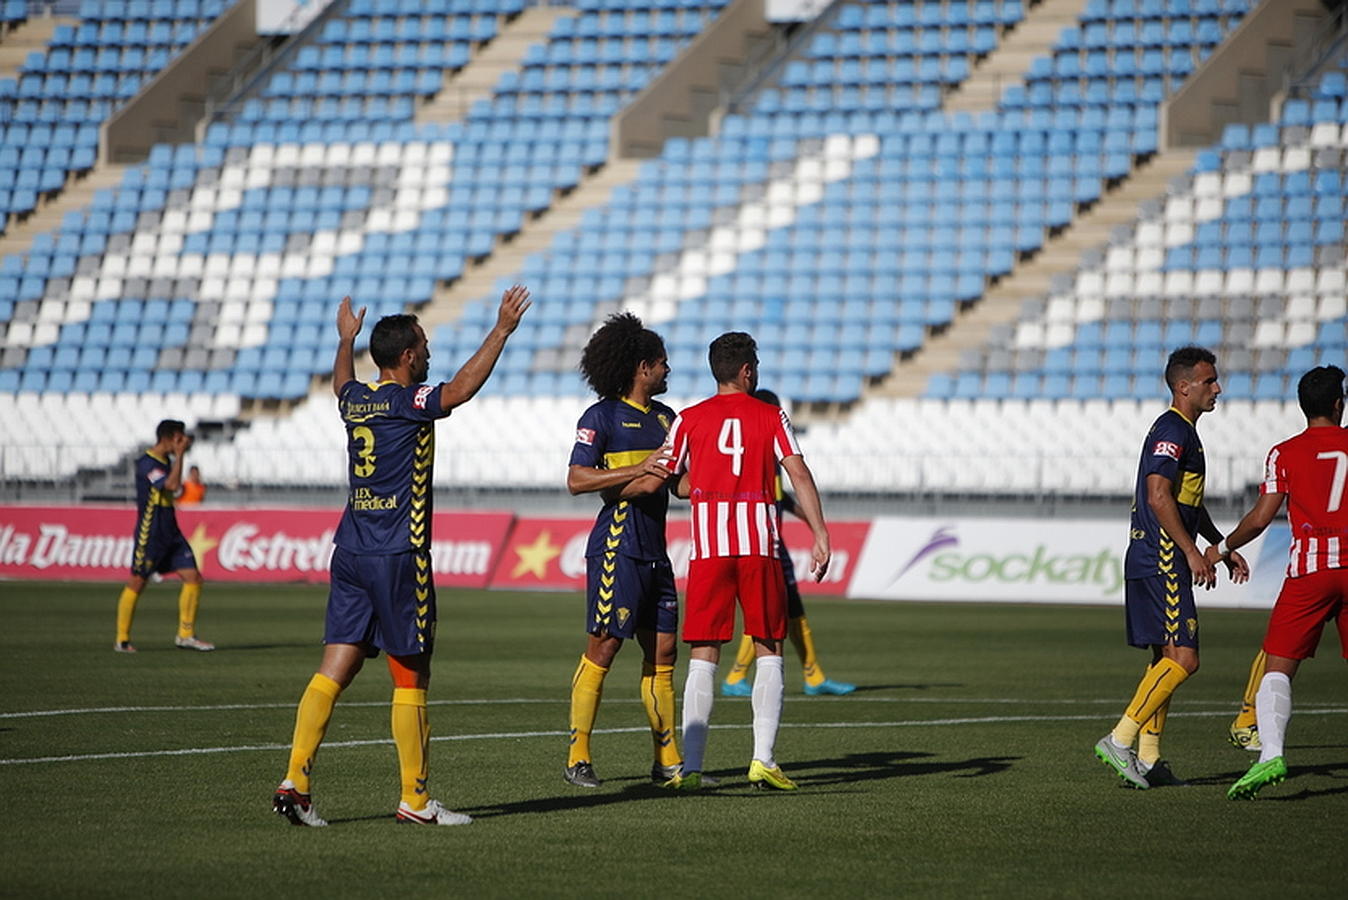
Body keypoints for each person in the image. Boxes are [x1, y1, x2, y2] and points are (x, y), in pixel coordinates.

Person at [272, 286, 531, 827]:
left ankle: (296, 781)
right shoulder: (406, 404)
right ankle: (415, 800)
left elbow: (342, 381)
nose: (430, 350)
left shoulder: (357, 400)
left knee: (331, 670)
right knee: (411, 676)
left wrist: (344, 339)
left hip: (350, 550)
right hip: (398, 552)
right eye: (425, 344)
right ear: (409, 357)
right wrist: (502, 330)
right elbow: (457, 391)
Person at [659, 332, 831, 791]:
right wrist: (820, 533)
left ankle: (692, 769)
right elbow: (797, 472)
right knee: (769, 649)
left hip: (709, 549)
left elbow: (666, 477)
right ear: (747, 371)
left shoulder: (688, 419)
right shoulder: (770, 415)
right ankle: (763, 761)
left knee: (703, 654)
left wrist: (703, 486)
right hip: (759, 546)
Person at [1094, 345, 1246, 789]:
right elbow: (1159, 495)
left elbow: (1186, 503)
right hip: (1163, 557)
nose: (1217, 388)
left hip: (1156, 554)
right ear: (1184, 387)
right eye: (1209, 381)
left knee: (1165, 657)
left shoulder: (1184, 432)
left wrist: (1219, 543)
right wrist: (1193, 552)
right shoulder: (1173, 430)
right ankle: (1120, 739)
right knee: (1186, 657)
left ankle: (1150, 757)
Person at [1207, 365, 1348, 799]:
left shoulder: (1284, 452)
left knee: (1278, 668)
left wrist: (1223, 548)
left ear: (1303, 408)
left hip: (1309, 571)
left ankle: (1271, 754)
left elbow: (1261, 517)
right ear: (1339, 405)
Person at [562, 312, 684, 789]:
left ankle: (667, 762)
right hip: (617, 545)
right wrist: (638, 472)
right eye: (662, 363)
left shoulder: (667, 419)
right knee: (605, 645)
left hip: (656, 549)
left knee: (665, 652)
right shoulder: (602, 416)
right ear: (642, 367)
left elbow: (677, 486)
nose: (668, 370)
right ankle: (578, 757)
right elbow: (577, 479)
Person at [722, 389, 854, 698]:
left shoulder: (770, 458)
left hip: (775, 546)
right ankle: (736, 676)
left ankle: (814, 675)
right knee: (770, 612)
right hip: (764, 546)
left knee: (791, 611)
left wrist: (810, 520)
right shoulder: (759, 455)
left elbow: (782, 499)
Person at [113, 420, 214, 653]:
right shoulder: (147, 463)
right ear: (168, 438)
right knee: (137, 582)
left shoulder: (166, 461)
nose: (183, 442)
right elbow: (172, 484)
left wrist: (177, 457)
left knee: (194, 577)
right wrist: (180, 456)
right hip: (152, 533)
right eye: (179, 438)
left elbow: (176, 488)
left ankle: (186, 635)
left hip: (171, 532)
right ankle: (122, 639)